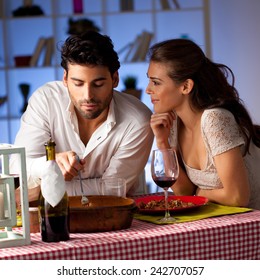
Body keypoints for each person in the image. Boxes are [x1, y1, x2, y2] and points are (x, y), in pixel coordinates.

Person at [11, 31, 153, 202]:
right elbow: (18, 170)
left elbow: (113, 190)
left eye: (98, 84)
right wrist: (48, 164)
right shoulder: (46, 101)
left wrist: (41, 191)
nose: (88, 95)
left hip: (115, 216)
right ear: (65, 78)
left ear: (115, 79)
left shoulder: (137, 120)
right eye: (78, 83)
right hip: (51, 217)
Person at [146, 38, 260, 210]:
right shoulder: (173, 122)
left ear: (186, 86)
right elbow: (183, 192)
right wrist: (162, 142)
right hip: (223, 220)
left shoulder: (215, 119)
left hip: (251, 223)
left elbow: (237, 197)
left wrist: (199, 193)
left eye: (156, 82)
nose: (148, 89)